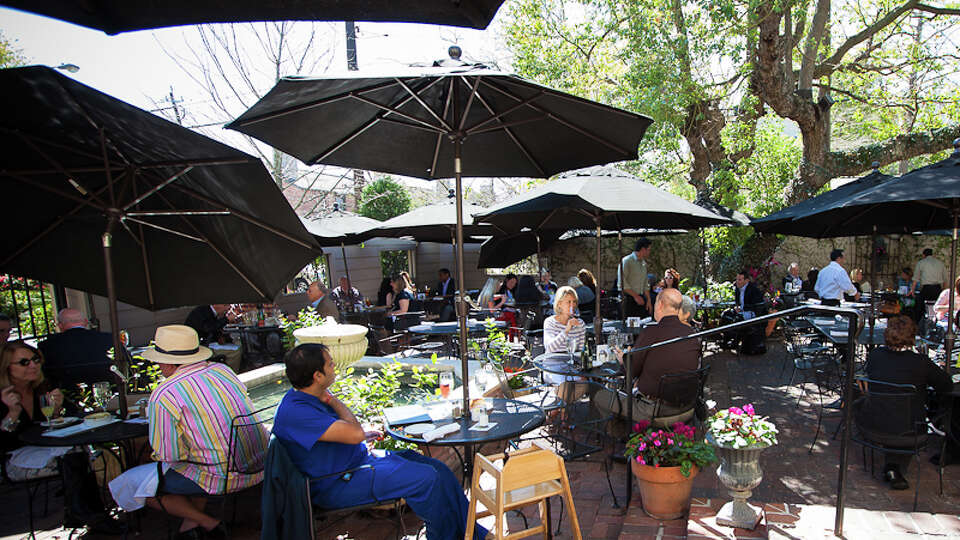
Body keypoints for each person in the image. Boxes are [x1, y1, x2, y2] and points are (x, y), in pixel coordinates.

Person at [271, 343, 488, 540]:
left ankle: (473, 534)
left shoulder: (308, 399)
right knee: (428, 479)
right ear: (318, 376)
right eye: (330, 364)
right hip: (340, 482)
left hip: (360, 465)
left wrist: (359, 433)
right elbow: (353, 433)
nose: (335, 366)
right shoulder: (296, 412)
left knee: (439, 470)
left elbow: (336, 434)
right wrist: (333, 400)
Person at [143, 325, 268, 540]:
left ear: (167, 361)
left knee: (140, 489)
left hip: (221, 477)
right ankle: (191, 527)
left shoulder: (165, 394)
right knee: (194, 464)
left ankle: (207, 522)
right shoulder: (223, 371)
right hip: (259, 464)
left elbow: (169, 454)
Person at [1, 341, 124, 533]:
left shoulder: (41, 388)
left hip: (47, 448)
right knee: (74, 459)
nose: (33, 365)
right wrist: (12, 414)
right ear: (7, 367)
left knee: (80, 454)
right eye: (24, 362)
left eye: (35, 360)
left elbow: (70, 416)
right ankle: (90, 515)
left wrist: (58, 410)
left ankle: (85, 513)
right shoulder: (3, 397)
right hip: (15, 459)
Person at [860, 315, 953, 490]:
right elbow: (946, 385)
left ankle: (892, 467)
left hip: (873, 425)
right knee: (907, 416)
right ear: (913, 336)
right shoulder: (921, 362)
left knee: (897, 412)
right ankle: (894, 468)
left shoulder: (875, 356)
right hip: (908, 432)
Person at [599, 289, 700, 420]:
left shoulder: (651, 332)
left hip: (654, 410)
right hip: (687, 407)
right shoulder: (693, 334)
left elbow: (631, 371)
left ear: (660, 305)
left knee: (600, 395)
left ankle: (622, 435)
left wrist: (623, 359)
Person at [38, 308, 113, 388]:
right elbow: (125, 364)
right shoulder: (109, 338)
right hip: (107, 390)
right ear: (86, 322)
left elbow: (42, 375)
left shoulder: (46, 346)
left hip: (66, 394)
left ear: (60, 325)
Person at [618, 238, 653, 318]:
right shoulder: (627, 261)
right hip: (628, 299)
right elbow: (622, 283)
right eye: (648, 250)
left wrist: (648, 301)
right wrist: (635, 296)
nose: (649, 252)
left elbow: (645, 284)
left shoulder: (643, 263)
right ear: (643, 249)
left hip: (640, 298)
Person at [911, 248, 948, 320]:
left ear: (924, 255)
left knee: (919, 307)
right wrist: (944, 291)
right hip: (937, 289)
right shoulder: (940, 263)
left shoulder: (921, 263)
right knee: (937, 307)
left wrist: (912, 290)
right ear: (932, 254)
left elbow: (915, 278)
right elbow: (945, 279)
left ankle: (919, 323)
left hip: (926, 289)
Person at [490, 274, 520, 339]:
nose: (513, 285)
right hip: (501, 313)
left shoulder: (514, 291)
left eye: (514, 283)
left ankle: (514, 334)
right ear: (506, 280)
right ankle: (514, 334)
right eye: (511, 282)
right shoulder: (500, 290)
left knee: (514, 316)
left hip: (512, 311)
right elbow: (496, 304)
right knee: (510, 316)